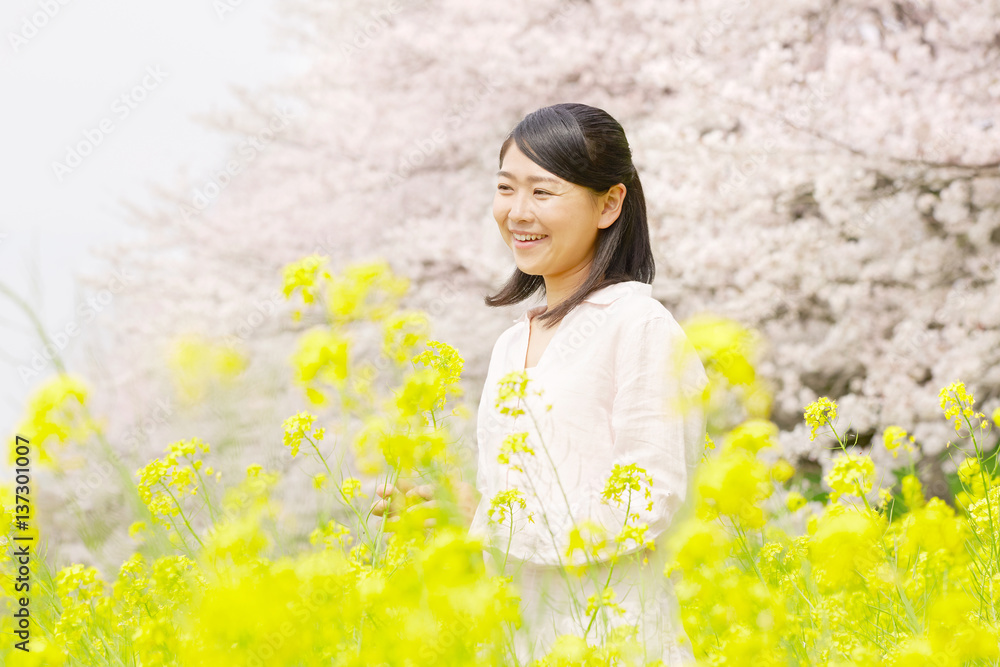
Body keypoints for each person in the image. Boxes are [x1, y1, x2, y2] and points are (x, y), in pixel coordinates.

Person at [375, 103, 707, 665]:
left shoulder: (640, 327)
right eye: (506, 189)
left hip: (616, 644)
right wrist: (450, 519)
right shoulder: (511, 345)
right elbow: (508, 525)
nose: (517, 213)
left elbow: (644, 505)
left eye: (543, 192)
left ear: (610, 203)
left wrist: (485, 519)